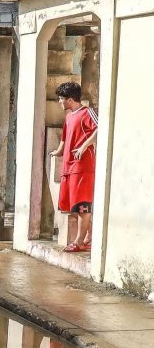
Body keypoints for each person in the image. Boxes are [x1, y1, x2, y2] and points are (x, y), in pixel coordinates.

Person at [50, 81, 98, 253]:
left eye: (61, 99)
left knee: (82, 207)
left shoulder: (87, 112)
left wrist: (84, 146)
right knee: (73, 207)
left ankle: (79, 242)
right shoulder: (69, 117)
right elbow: (64, 138)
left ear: (70, 100)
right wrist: (57, 152)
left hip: (83, 167)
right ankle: (90, 236)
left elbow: (100, 128)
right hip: (68, 168)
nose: (59, 102)